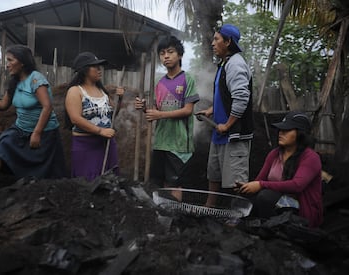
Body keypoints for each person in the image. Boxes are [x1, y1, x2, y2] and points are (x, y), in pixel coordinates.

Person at [0, 45, 66, 192]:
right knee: (2, 145)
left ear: (22, 62)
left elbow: (47, 107)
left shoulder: (36, 80)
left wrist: (37, 133)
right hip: (20, 128)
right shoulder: (14, 82)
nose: (7, 64)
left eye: (10, 60)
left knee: (49, 176)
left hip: (45, 132)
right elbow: (3, 104)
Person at [135, 35, 199, 200]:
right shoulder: (159, 82)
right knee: (163, 181)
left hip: (179, 144)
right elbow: (155, 110)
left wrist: (160, 114)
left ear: (180, 55)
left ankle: (175, 216)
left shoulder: (187, 79)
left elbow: (187, 110)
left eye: (170, 52)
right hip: (161, 141)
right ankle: (164, 214)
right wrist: (144, 108)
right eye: (162, 53)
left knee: (175, 184)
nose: (166, 56)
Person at [196, 24, 253, 204]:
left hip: (234, 134)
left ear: (228, 42)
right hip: (220, 133)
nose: (213, 43)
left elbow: (242, 98)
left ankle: (236, 217)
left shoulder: (236, 64)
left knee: (236, 179)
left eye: (216, 39)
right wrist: (211, 110)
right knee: (214, 175)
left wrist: (228, 125)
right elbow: (225, 95)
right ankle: (209, 208)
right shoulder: (224, 64)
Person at [237, 111, 323, 227]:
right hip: (277, 204)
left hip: (302, 211)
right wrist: (246, 187)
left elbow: (297, 185)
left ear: (300, 133)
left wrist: (261, 185)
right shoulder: (275, 154)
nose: (281, 133)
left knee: (265, 197)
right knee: (250, 198)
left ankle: (276, 231)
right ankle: (260, 228)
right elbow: (259, 180)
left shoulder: (310, 157)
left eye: (286, 130)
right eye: (281, 130)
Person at [65, 52, 125, 181]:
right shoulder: (75, 91)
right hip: (86, 145)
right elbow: (75, 119)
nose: (99, 70)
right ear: (84, 70)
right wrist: (100, 131)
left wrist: (120, 100)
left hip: (106, 144)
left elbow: (112, 114)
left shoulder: (102, 91)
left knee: (110, 181)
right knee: (88, 183)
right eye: (95, 67)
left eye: (100, 67)